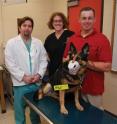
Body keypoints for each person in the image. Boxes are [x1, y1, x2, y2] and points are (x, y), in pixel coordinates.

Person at [63, 7, 112, 109]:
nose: (87, 21)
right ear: (79, 20)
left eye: (90, 18)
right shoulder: (72, 39)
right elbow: (64, 59)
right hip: (73, 87)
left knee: (94, 119)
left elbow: (107, 66)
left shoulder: (102, 39)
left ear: (94, 20)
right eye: (84, 18)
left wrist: (84, 62)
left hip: (93, 89)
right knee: (76, 118)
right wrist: (69, 62)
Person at [5, 16, 48, 124]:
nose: (27, 28)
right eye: (24, 25)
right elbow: (10, 64)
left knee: (35, 112)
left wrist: (39, 75)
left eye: (29, 26)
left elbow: (44, 60)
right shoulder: (11, 43)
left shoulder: (38, 42)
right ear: (19, 27)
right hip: (20, 85)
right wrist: (24, 77)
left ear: (32, 28)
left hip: (35, 83)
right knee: (19, 114)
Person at [44, 12, 74, 80]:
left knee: (64, 89)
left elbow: (77, 52)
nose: (57, 23)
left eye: (60, 21)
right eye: (55, 21)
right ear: (52, 23)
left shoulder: (71, 35)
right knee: (55, 89)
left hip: (68, 74)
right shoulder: (49, 38)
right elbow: (46, 55)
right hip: (53, 73)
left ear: (63, 22)